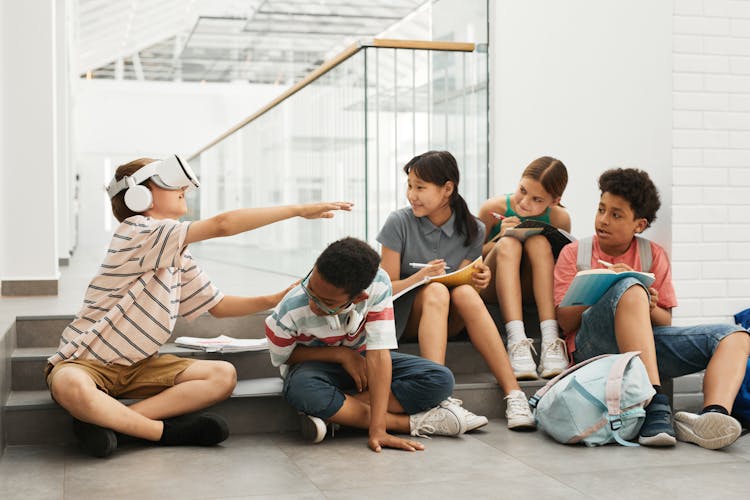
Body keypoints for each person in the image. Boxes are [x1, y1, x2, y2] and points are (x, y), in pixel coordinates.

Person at [46, 155, 352, 458]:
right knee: (69, 384)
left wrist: (273, 299)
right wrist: (297, 210)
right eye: (165, 181)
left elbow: (217, 305)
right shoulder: (137, 231)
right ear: (140, 196)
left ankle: (116, 425)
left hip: (138, 367)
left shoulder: (178, 255)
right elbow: (223, 224)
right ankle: (164, 433)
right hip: (85, 362)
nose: (182, 188)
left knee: (222, 376)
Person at [554, 168, 750, 450]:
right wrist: (609, 286)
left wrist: (647, 303)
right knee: (630, 285)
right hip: (593, 348)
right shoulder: (574, 253)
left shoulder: (653, 254)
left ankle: (714, 416)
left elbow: (664, 321)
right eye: (601, 210)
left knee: (736, 336)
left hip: (644, 347)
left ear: (639, 224)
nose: (603, 220)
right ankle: (657, 404)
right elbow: (565, 320)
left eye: (616, 214)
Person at [377, 150, 535, 431]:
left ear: (447, 189)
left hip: (448, 317)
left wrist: (478, 278)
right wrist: (420, 277)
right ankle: (436, 397)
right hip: (404, 318)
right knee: (436, 291)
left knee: (464, 293)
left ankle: (514, 393)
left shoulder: (473, 229)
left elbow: (460, 280)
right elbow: (384, 289)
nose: (412, 194)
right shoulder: (398, 222)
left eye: (420, 187)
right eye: (410, 186)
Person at [265, 237, 467, 451]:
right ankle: (409, 423)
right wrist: (340, 354)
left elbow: (379, 354)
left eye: (328, 302)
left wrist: (378, 430)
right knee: (302, 389)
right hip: (314, 369)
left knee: (440, 379)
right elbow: (284, 357)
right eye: (311, 290)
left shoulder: (378, 284)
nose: (313, 304)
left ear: (359, 298)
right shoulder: (289, 310)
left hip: (362, 363)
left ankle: (336, 412)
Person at [478, 156, 571, 380]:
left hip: (532, 287)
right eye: (522, 190)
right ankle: (516, 340)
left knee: (538, 242)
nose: (524, 202)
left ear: (554, 201)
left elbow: (562, 261)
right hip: (493, 284)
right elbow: (472, 257)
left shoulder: (560, 218)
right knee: (509, 243)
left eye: (537, 199)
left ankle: (550, 339)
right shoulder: (492, 208)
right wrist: (500, 237)